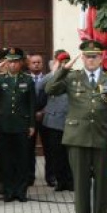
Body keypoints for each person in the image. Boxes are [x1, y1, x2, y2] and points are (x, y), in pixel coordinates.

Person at [45, 40, 107, 213]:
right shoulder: (73, 77)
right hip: (77, 136)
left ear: (101, 57)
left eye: (94, 56)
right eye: (87, 56)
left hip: (101, 136)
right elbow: (49, 89)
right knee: (80, 183)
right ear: (82, 57)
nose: (90, 60)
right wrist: (63, 70)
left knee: (102, 183)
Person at [0, 48, 36, 202]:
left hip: (22, 125)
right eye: (10, 61)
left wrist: (32, 125)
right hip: (4, 125)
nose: (13, 64)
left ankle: (21, 191)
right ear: (5, 63)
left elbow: (32, 104)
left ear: (21, 63)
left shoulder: (27, 79)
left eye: (16, 61)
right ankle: (8, 191)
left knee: (22, 159)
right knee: (6, 160)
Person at [40, 50, 73, 192]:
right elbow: (40, 86)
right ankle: (60, 181)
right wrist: (54, 72)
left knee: (70, 154)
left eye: (66, 61)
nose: (64, 64)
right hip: (53, 121)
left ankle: (71, 181)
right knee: (56, 153)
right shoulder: (51, 76)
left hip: (70, 120)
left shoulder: (74, 75)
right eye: (61, 61)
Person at [26, 53, 46, 186]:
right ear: (29, 65)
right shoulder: (24, 79)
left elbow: (53, 98)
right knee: (28, 149)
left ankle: (50, 176)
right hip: (29, 119)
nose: (36, 64)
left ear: (42, 64)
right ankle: (29, 176)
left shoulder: (49, 78)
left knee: (49, 149)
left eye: (39, 62)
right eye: (33, 62)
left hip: (46, 117)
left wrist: (44, 111)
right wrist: (32, 113)